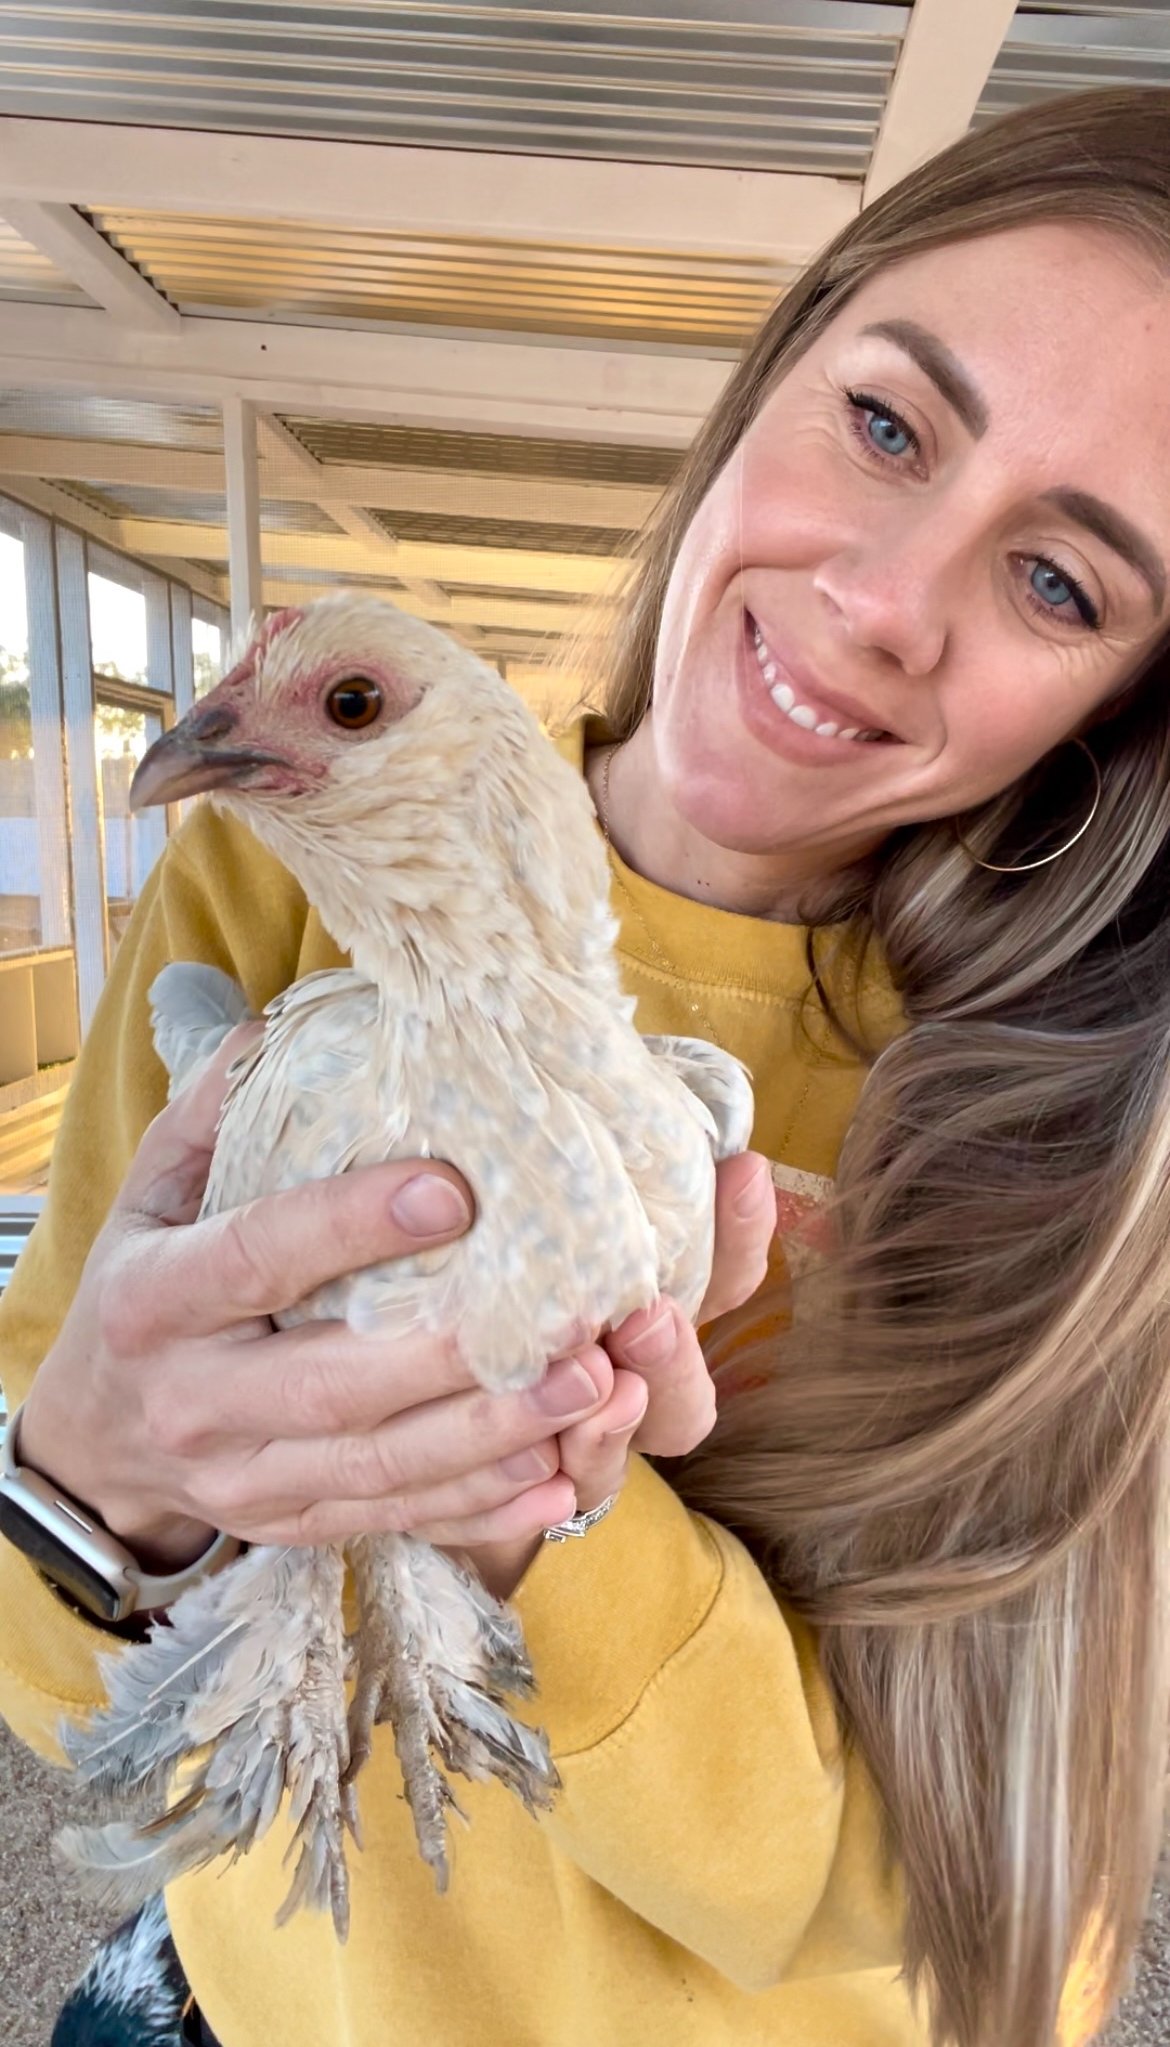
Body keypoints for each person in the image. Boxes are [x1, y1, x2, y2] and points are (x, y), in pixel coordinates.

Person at [1, 83, 1168, 2047]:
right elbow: (61, 1689)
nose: (882, 609)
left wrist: (536, 1497)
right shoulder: (269, 887)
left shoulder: (1107, 1139)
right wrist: (96, 1481)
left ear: (1128, 696)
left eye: (1059, 582)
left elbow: (937, 1901)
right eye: (885, 425)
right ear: (776, 363)